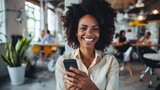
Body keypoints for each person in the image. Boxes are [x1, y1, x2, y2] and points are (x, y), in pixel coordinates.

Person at [55, 0, 119, 90]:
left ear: (101, 33)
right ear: (75, 32)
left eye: (95, 29)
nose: (89, 33)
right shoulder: (62, 62)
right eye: (83, 28)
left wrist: (91, 87)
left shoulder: (110, 62)